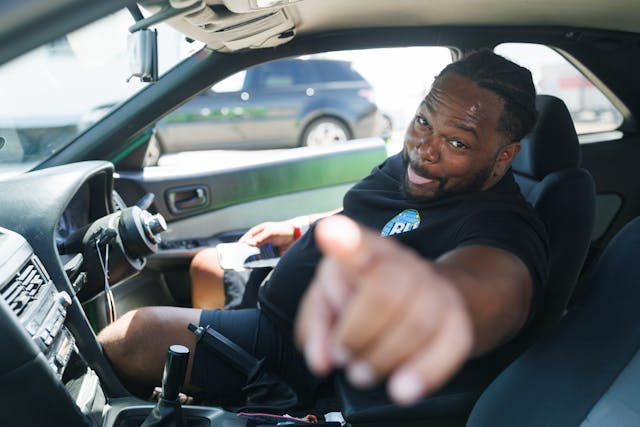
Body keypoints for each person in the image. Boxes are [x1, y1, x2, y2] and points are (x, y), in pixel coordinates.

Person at [97, 50, 549, 406]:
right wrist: (298, 230)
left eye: (457, 142)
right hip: (278, 294)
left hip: (294, 348)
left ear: (504, 156)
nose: (425, 150)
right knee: (206, 265)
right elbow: (366, 215)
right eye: (424, 121)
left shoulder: (500, 223)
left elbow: (490, 287)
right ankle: (216, 396)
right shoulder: (419, 170)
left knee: (130, 338)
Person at [190, 210, 339, 310]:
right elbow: (348, 211)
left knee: (167, 323)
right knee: (205, 265)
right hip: (300, 263)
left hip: (319, 292)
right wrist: (295, 229)